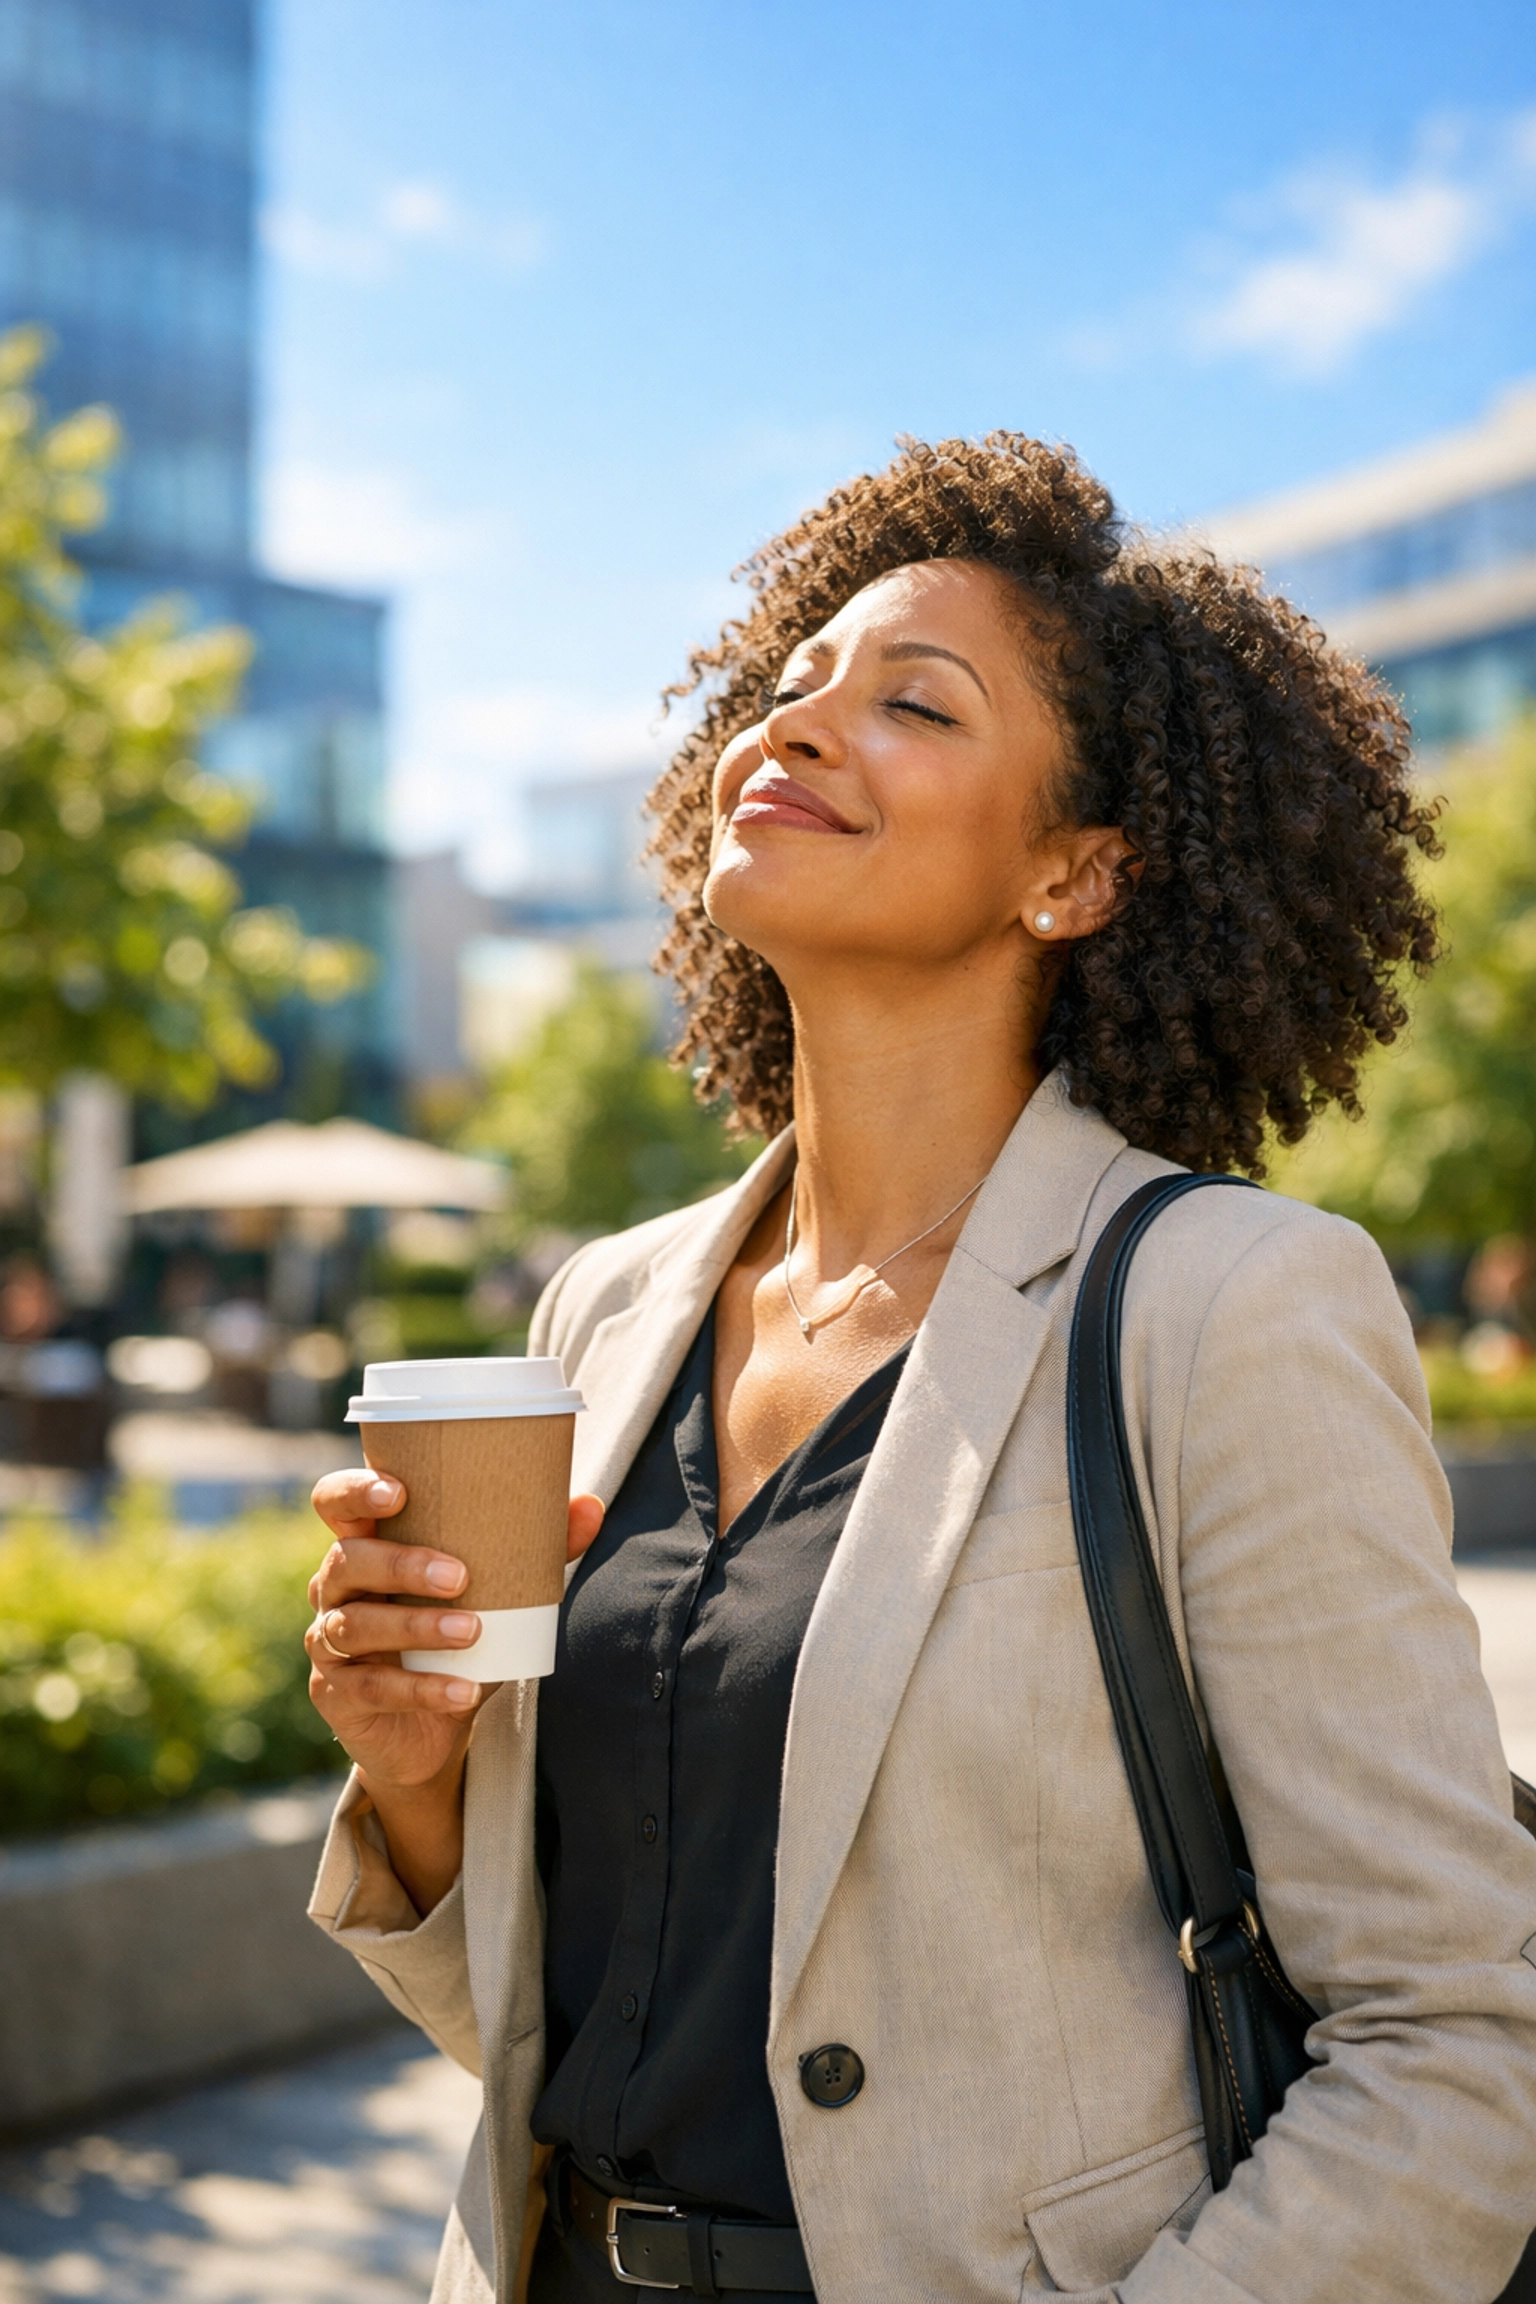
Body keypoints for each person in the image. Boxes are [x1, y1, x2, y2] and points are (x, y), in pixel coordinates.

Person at [304, 435, 1536, 2304]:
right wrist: (414, 1784)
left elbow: (1460, 2042)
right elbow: (585, 2029)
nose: (793, 728)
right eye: (790, 688)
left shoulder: (1225, 1307)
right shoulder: (604, 1317)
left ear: (1077, 874)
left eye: (910, 704)